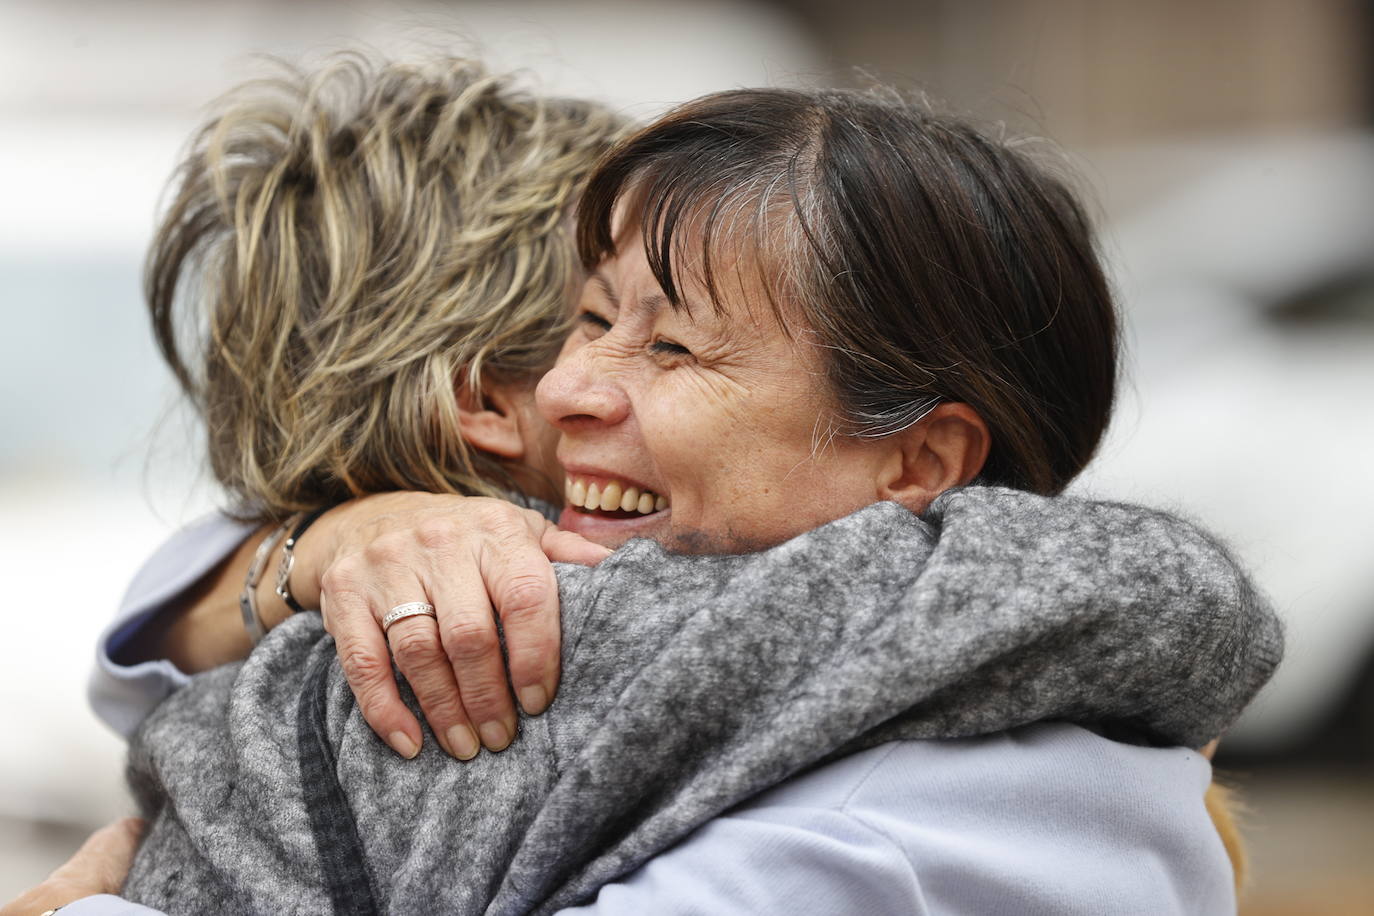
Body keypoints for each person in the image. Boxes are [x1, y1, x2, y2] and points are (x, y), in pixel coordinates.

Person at [29, 79, 1280, 914]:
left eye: (672, 346)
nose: (572, 386)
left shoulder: (973, 808)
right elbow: (149, 652)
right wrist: (318, 546)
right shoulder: (425, 671)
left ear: (919, 461)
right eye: (581, 320)